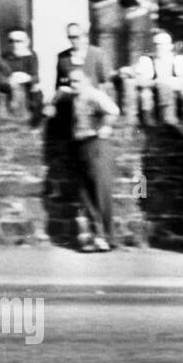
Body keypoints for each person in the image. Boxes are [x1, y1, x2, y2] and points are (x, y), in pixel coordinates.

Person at [49, 67, 121, 251]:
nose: (74, 84)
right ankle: (95, 236)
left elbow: (113, 110)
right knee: (84, 194)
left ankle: (107, 237)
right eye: (71, 81)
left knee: (100, 191)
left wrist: (105, 127)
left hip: (95, 145)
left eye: (78, 81)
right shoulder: (72, 97)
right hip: (79, 147)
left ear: (87, 81)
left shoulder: (94, 95)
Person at [133, 30, 183, 129]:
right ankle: (154, 123)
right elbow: (139, 81)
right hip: (155, 93)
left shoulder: (179, 59)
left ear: (170, 46)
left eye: (163, 44)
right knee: (145, 93)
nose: (159, 47)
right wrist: (156, 82)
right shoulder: (147, 60)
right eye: (156, 44)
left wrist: (173, 83)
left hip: (176, 92)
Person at [55, 22, 113, 93]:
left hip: (92, 99)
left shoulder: (96, 54)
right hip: (70, 100)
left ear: (84, 35)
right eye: (70, 37)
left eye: (76, 37)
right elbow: (61, 83)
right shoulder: (62, 57)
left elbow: (105, 82)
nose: (73, 40)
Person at [0, 29, 41, 118]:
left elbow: (35, 77)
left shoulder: (31, 56)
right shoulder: (3, 59)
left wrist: (27, 78)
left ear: (27, 42)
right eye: (11, 41)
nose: (14, 44)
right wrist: (11, 81)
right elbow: (0, 81)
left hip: (27, 95)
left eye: (18, 41)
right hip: (8, 95)